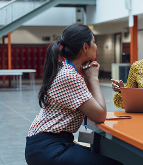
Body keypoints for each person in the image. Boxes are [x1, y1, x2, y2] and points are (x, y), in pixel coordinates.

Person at [25, 24, 123, 165]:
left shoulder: (67, 70)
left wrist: (88, 77)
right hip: (48, 147)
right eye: (94, 42)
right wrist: (94, 78)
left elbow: (91, 108)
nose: (96, 46)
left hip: (49, 143)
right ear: (85, 47)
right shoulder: (69, 75)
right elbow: (100, 115)